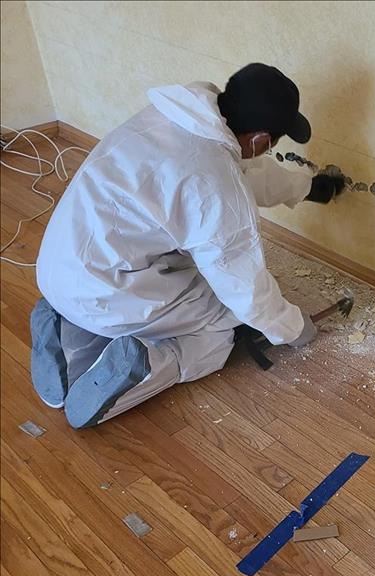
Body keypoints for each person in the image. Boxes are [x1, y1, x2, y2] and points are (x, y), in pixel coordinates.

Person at [31, 63, 345, 429]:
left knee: (174, 281)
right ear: (260, 140)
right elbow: (245, 290)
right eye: (273, 142)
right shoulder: (213, 181)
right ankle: (141, 367)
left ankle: (68, 332)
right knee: (221, 327)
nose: (268, 149)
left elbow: (242, 171)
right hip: (105, 289)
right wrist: (293, 329)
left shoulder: (180, 119)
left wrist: (307, 188)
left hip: (60, 265)